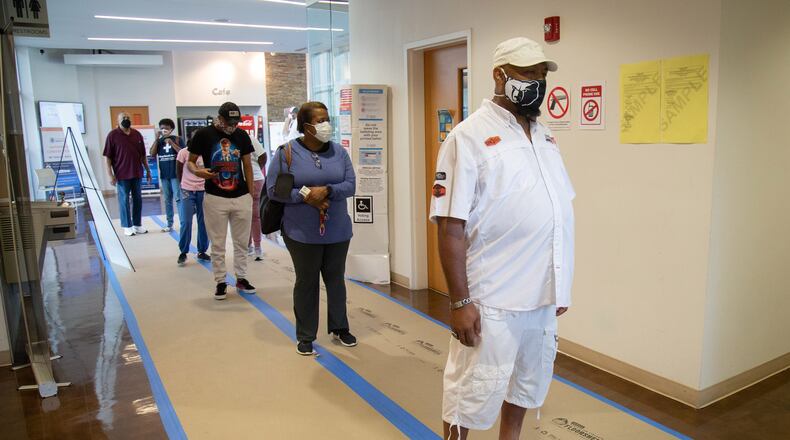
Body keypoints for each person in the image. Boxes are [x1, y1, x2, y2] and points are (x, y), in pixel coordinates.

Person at [430, 37, 576, 440]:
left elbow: (557, 212)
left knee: (526, 387)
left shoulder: (545, 137)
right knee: (470, 397)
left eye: (541, 75)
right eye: (528, 74)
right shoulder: (468, 137)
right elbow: (449, 224)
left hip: (541, 300)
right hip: (492, 300)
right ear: (500, 75)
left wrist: (559, 284)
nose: (537, 83)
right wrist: (460, 301)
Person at [266, 101, 357, 356]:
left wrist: (327, 190)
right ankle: (305, 335)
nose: (326, 125)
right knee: (306, 283)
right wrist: (307, 195)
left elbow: (350, 185)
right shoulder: (287, 153)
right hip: (301, 232)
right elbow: (275, 190)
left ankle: (340, 327)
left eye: (327, 119)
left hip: (337, 230)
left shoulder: (339, 152)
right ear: (306, 126)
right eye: (320, 121)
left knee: (336, 280)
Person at [187, 102, 257, 300]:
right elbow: (190, 161)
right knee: (218, 243)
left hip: (241, 196)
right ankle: (220, 280)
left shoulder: (242, 136)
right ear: (220, 118)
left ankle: (241, 278)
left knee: (242, 242)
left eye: (236, 122)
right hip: (215, 196)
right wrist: (198, 171)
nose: (232, 126)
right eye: (229, 122)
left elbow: (247, 166)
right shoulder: (203, 135)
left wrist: (250, 194)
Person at [103, 112, 152, 236]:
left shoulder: (137, 134)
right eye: (123, 118)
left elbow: (142, 156)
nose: (126, 119)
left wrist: (147, 170)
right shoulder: (112, 135)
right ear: (118, 121)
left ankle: (137, 224)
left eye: (127, 118)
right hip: (121, 174)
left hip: (137, 172)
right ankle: (127, 226)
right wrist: (110, 175)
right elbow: (107, 158)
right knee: (124, 200)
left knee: (138, 199)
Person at [175, 132, 210, 266]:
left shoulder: (206, 153)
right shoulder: (183, 153)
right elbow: (178, 170)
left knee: (203, 221)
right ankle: (183, 251)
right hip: (187, 190)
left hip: (203, 189)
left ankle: (202, 250)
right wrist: (182, 186)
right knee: (186, 221)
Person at [149, 118, 185, 232]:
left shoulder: (178, 139)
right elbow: (152, 153)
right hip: (164, 175)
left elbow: (183, 153)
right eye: (162, 128)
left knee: (178, 198)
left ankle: (183, 222)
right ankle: (169, 224)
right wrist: (156, 139)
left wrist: (172, 143)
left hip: (175, 174)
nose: (164, 130)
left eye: (166, 128)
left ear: (171, 129)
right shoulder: (159, 142)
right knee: (167, 199)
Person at [248, 137, 267, 261]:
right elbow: (262, 156)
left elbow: (263, 156)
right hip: (252, 178)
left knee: (251, 216)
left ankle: (254, 247)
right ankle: (254, 247)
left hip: (252, 179)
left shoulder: (247, 138)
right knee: (251, 216)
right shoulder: (250, 138)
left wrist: (255, 170)